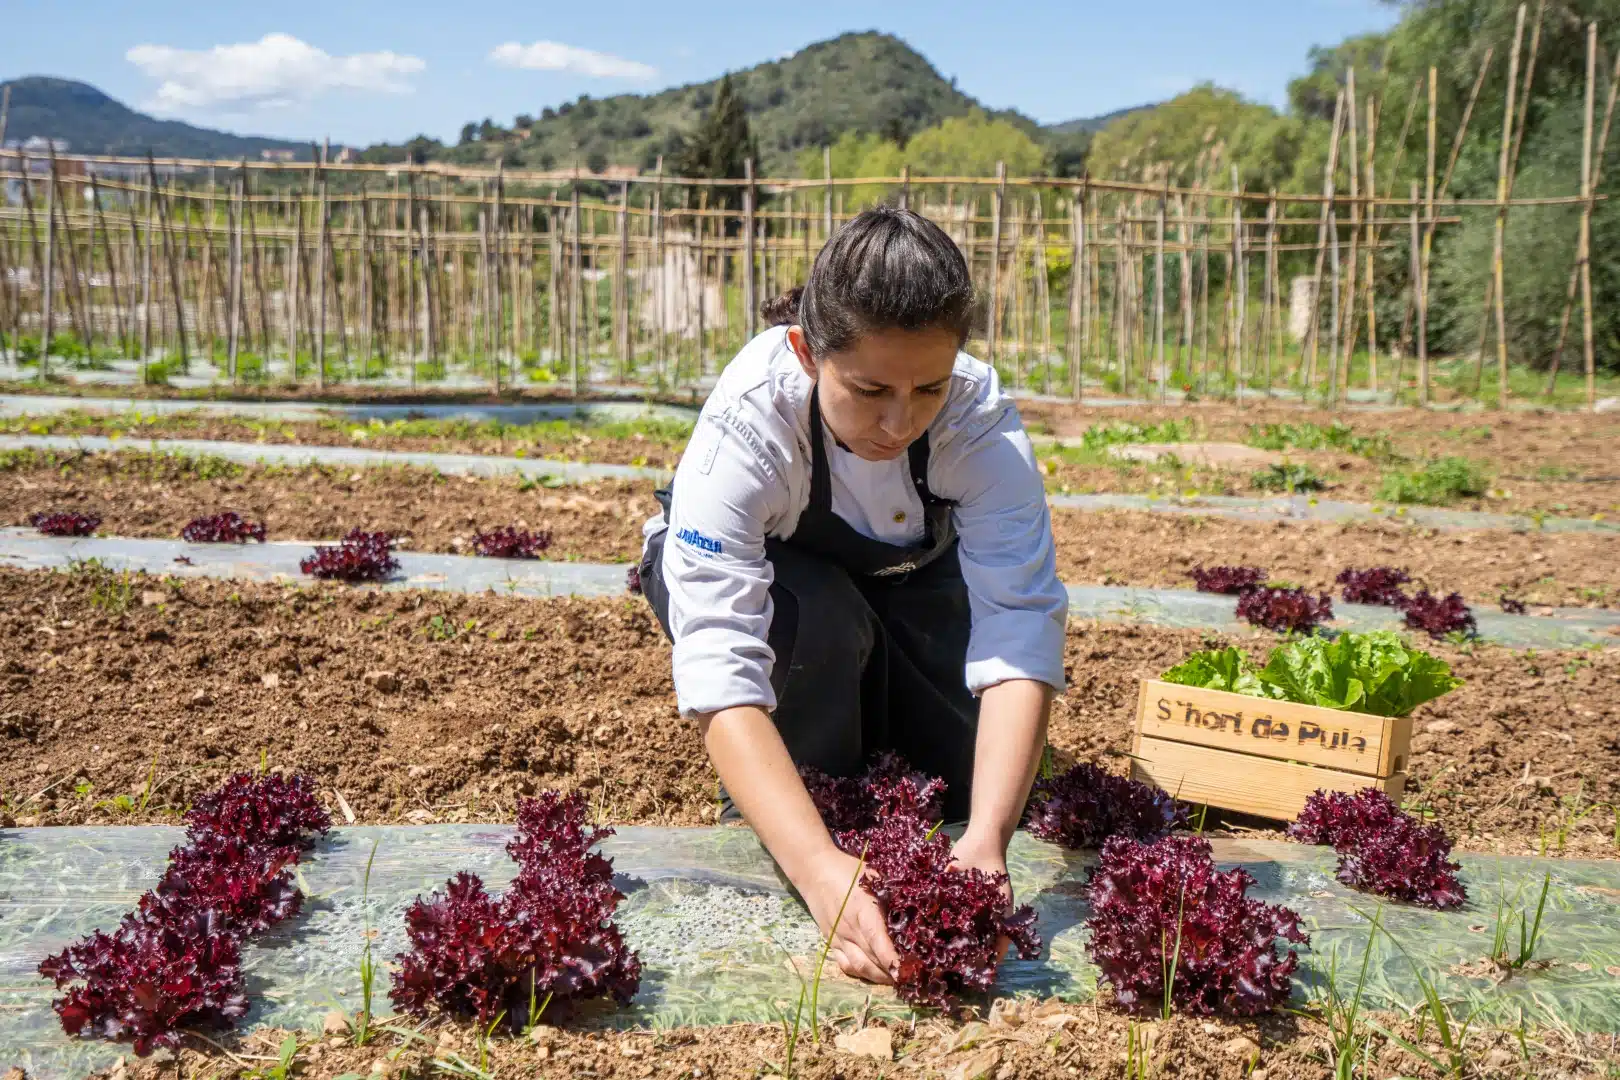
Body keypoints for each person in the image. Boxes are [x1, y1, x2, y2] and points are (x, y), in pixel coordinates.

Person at [637, 207, 1067, 987]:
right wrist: (818, 871)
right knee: (820, 622)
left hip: (903, 570)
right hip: (784, 586)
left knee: (963, 774)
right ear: (807, 351)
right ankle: (800, 796)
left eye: (928, 387)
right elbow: (722, 668)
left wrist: (988, 839)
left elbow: (1019, 622)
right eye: (869, 389)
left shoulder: (979, 422)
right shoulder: (747, 427)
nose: (899, 421)